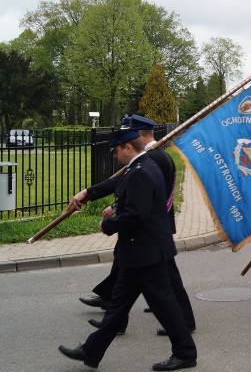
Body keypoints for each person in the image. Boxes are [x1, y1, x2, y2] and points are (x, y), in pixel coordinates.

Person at [59, 129, 197, 371]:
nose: (114, 155)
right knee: (117, 308)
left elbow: (137, 214)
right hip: (138, 253)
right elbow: (118, 186)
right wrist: (89, 193)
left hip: (146, 252)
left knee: (164, 304)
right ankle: (91, 351)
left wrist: (108, 225)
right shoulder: (140, 166)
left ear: (127, 147)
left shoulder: (142, 171)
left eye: (116, 150)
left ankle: (185, 352)